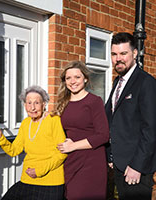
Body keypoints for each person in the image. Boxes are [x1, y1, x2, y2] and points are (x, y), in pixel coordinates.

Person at [105, 32, 156, 200]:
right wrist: (111, 155)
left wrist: (137, 166)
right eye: (114, 54)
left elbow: (150, 130)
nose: (118, 59)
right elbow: (113, 120)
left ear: (135, 53)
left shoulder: (146, 83)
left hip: (136, 167)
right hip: (119, 163)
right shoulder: (118, 82)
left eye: (123, 53)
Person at [0, 85, 67, 200]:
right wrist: (0, 136)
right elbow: (14, 150)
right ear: (24, 105)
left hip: (51, 183)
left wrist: (39, 171)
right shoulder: (26, 123)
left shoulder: (53, 120)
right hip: (28, 179)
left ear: (44, 104)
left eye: (36, 103)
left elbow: (62, 152)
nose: (33, 107)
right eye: (29, 103)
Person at [55, 60, 110, 200]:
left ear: (85, 79)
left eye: (77, 77)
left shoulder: (94, 101)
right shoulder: (63, 103)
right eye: (68, 78)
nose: (73, 81)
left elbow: (103, 135)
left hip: (91, 162)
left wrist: (73, 146)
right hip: (70, 161)